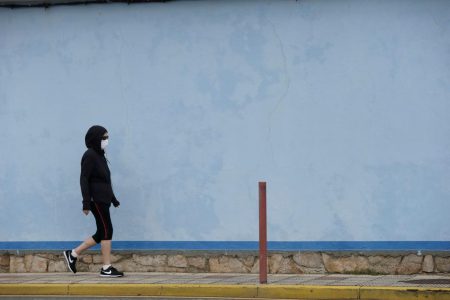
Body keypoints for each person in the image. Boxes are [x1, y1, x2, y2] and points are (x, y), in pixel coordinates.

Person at [64, 125, 124, 277]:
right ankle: (106, 268)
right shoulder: (89, 155)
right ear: (95, 138)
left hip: (103, 199)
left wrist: (113, 199)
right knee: (107, 230)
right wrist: (85, 202)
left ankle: (73, 254)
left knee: (101, 232)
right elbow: (84, 179)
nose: (106, 140)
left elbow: (105, 181)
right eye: (104, 137)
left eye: (107, 137)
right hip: (96, 199)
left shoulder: (100, 155)